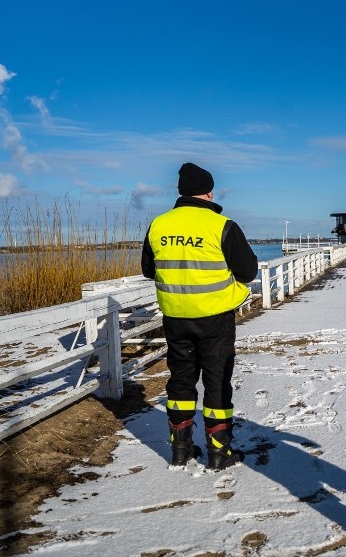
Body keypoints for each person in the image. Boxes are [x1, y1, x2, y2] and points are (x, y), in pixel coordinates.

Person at [142, 162, 258, 471]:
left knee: (181, 379)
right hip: (215, 317)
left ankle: (180, 449)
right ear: (208, 192)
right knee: (217, 381)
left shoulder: (158, 225)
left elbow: (148, 270)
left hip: (176, 317)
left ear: (181, 192)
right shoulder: (222, 225)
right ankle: (219, 451)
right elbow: (248, 272)